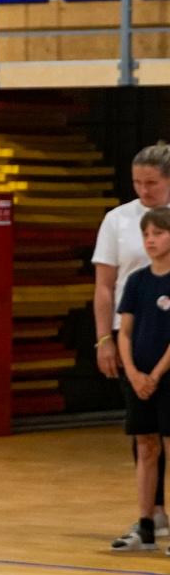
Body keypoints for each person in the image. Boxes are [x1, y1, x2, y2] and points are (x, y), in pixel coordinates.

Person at [96, 142, 170, 548]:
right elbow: (105, 286)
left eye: (153, 183)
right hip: (135, 340)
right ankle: (151, 516)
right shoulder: (118, 220)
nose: (144, 190)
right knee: (145, 435)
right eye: (137, 182)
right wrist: (104, 338)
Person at [114, 206, 170, 553]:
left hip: (166, 377)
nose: (151, 240)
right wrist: (133, 373)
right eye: (146, 235)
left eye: (159, 234)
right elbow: (125, 332)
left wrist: (157, 373)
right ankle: (146, 523)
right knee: (146, 447)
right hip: (140, 378)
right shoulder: (137, 281)